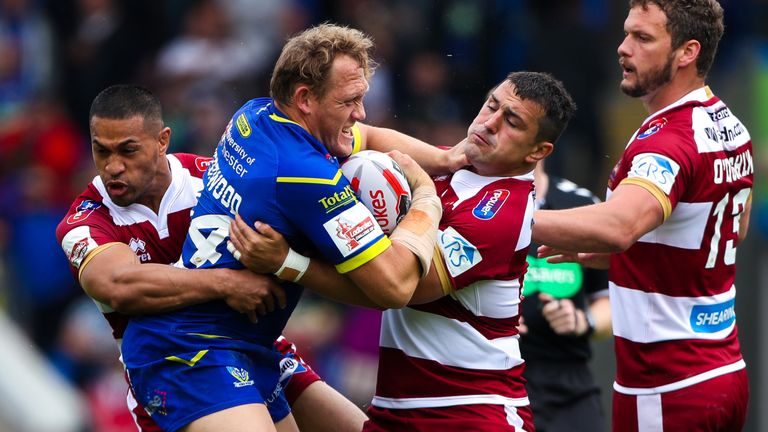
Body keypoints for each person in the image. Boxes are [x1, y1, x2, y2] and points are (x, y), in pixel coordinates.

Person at [120, 23, 465, 432]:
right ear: (305, 98)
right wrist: (426, 199)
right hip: (191, 347)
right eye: (350, 101)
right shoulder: (307, 177)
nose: (361, 113)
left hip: (247, 344)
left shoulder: (255, 115)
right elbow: (393, 287)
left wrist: (447, 160)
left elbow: (368, 136)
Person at [231, 71, 578, 431]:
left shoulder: (501, 211)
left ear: (538, 151)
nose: (489, 123)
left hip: (471, 413)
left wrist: (289, 262)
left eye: (512, 121)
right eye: (491, 105)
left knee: (281, 374)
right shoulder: (446, 163)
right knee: (275, 369)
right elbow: (363, 136)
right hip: (397, 411)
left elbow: (399, 287)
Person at [55, 84, 367, 432]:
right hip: (175, 362)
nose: (113, 167)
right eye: (102, 151)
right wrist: (226, 283)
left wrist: (435, 166)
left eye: (128, 151)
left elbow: (350, 142)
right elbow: (117, 285)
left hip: (259, 346)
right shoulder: (86, 220)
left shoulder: (210, 177)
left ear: (162, 140)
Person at [532, 1, 753, 430]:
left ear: (688, 52)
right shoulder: (729, 125)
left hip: (666, 386)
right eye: (627, 33)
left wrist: (505, 220)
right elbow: (730, 230)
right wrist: (631, 257)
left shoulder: (668, 141)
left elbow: (618, 226)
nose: (622, 47)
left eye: (642, 38)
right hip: (722, 372)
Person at [518, 160, 612, 432]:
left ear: (544, 146)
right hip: (492, 379)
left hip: (567, 381)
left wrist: (582, 322)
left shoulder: (581, 204)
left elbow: (608, 301)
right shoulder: (472, 202)